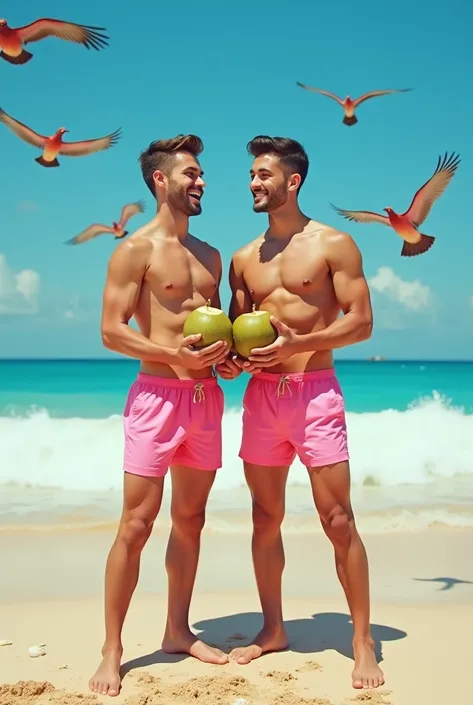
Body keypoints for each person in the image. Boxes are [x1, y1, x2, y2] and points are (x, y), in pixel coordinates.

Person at [216, 135, 384, 690]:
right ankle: (273, 629)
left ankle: (362, 641)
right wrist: (230, 364)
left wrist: (297, 347)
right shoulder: (244, 259)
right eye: (251, 176)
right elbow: (238, 342)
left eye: (263, 174)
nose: (253, 183)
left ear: (294, 181)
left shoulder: (334, 244)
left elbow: (361, 322)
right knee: (265, 519)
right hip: (263, 399)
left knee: (338, 519)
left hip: (316, 393)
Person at [89, 134, 231, 698]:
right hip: (156, 399)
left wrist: (231, 361)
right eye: (190, 174)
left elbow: (216, 329)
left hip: (205, 401)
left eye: (201, 175)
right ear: (160, 181)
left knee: (190, 521)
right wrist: (172, 354)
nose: (200, 182)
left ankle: (177, 629)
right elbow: (111, 329)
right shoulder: (135, 250)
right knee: (136, 525)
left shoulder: (212, 255)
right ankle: (113, 649)